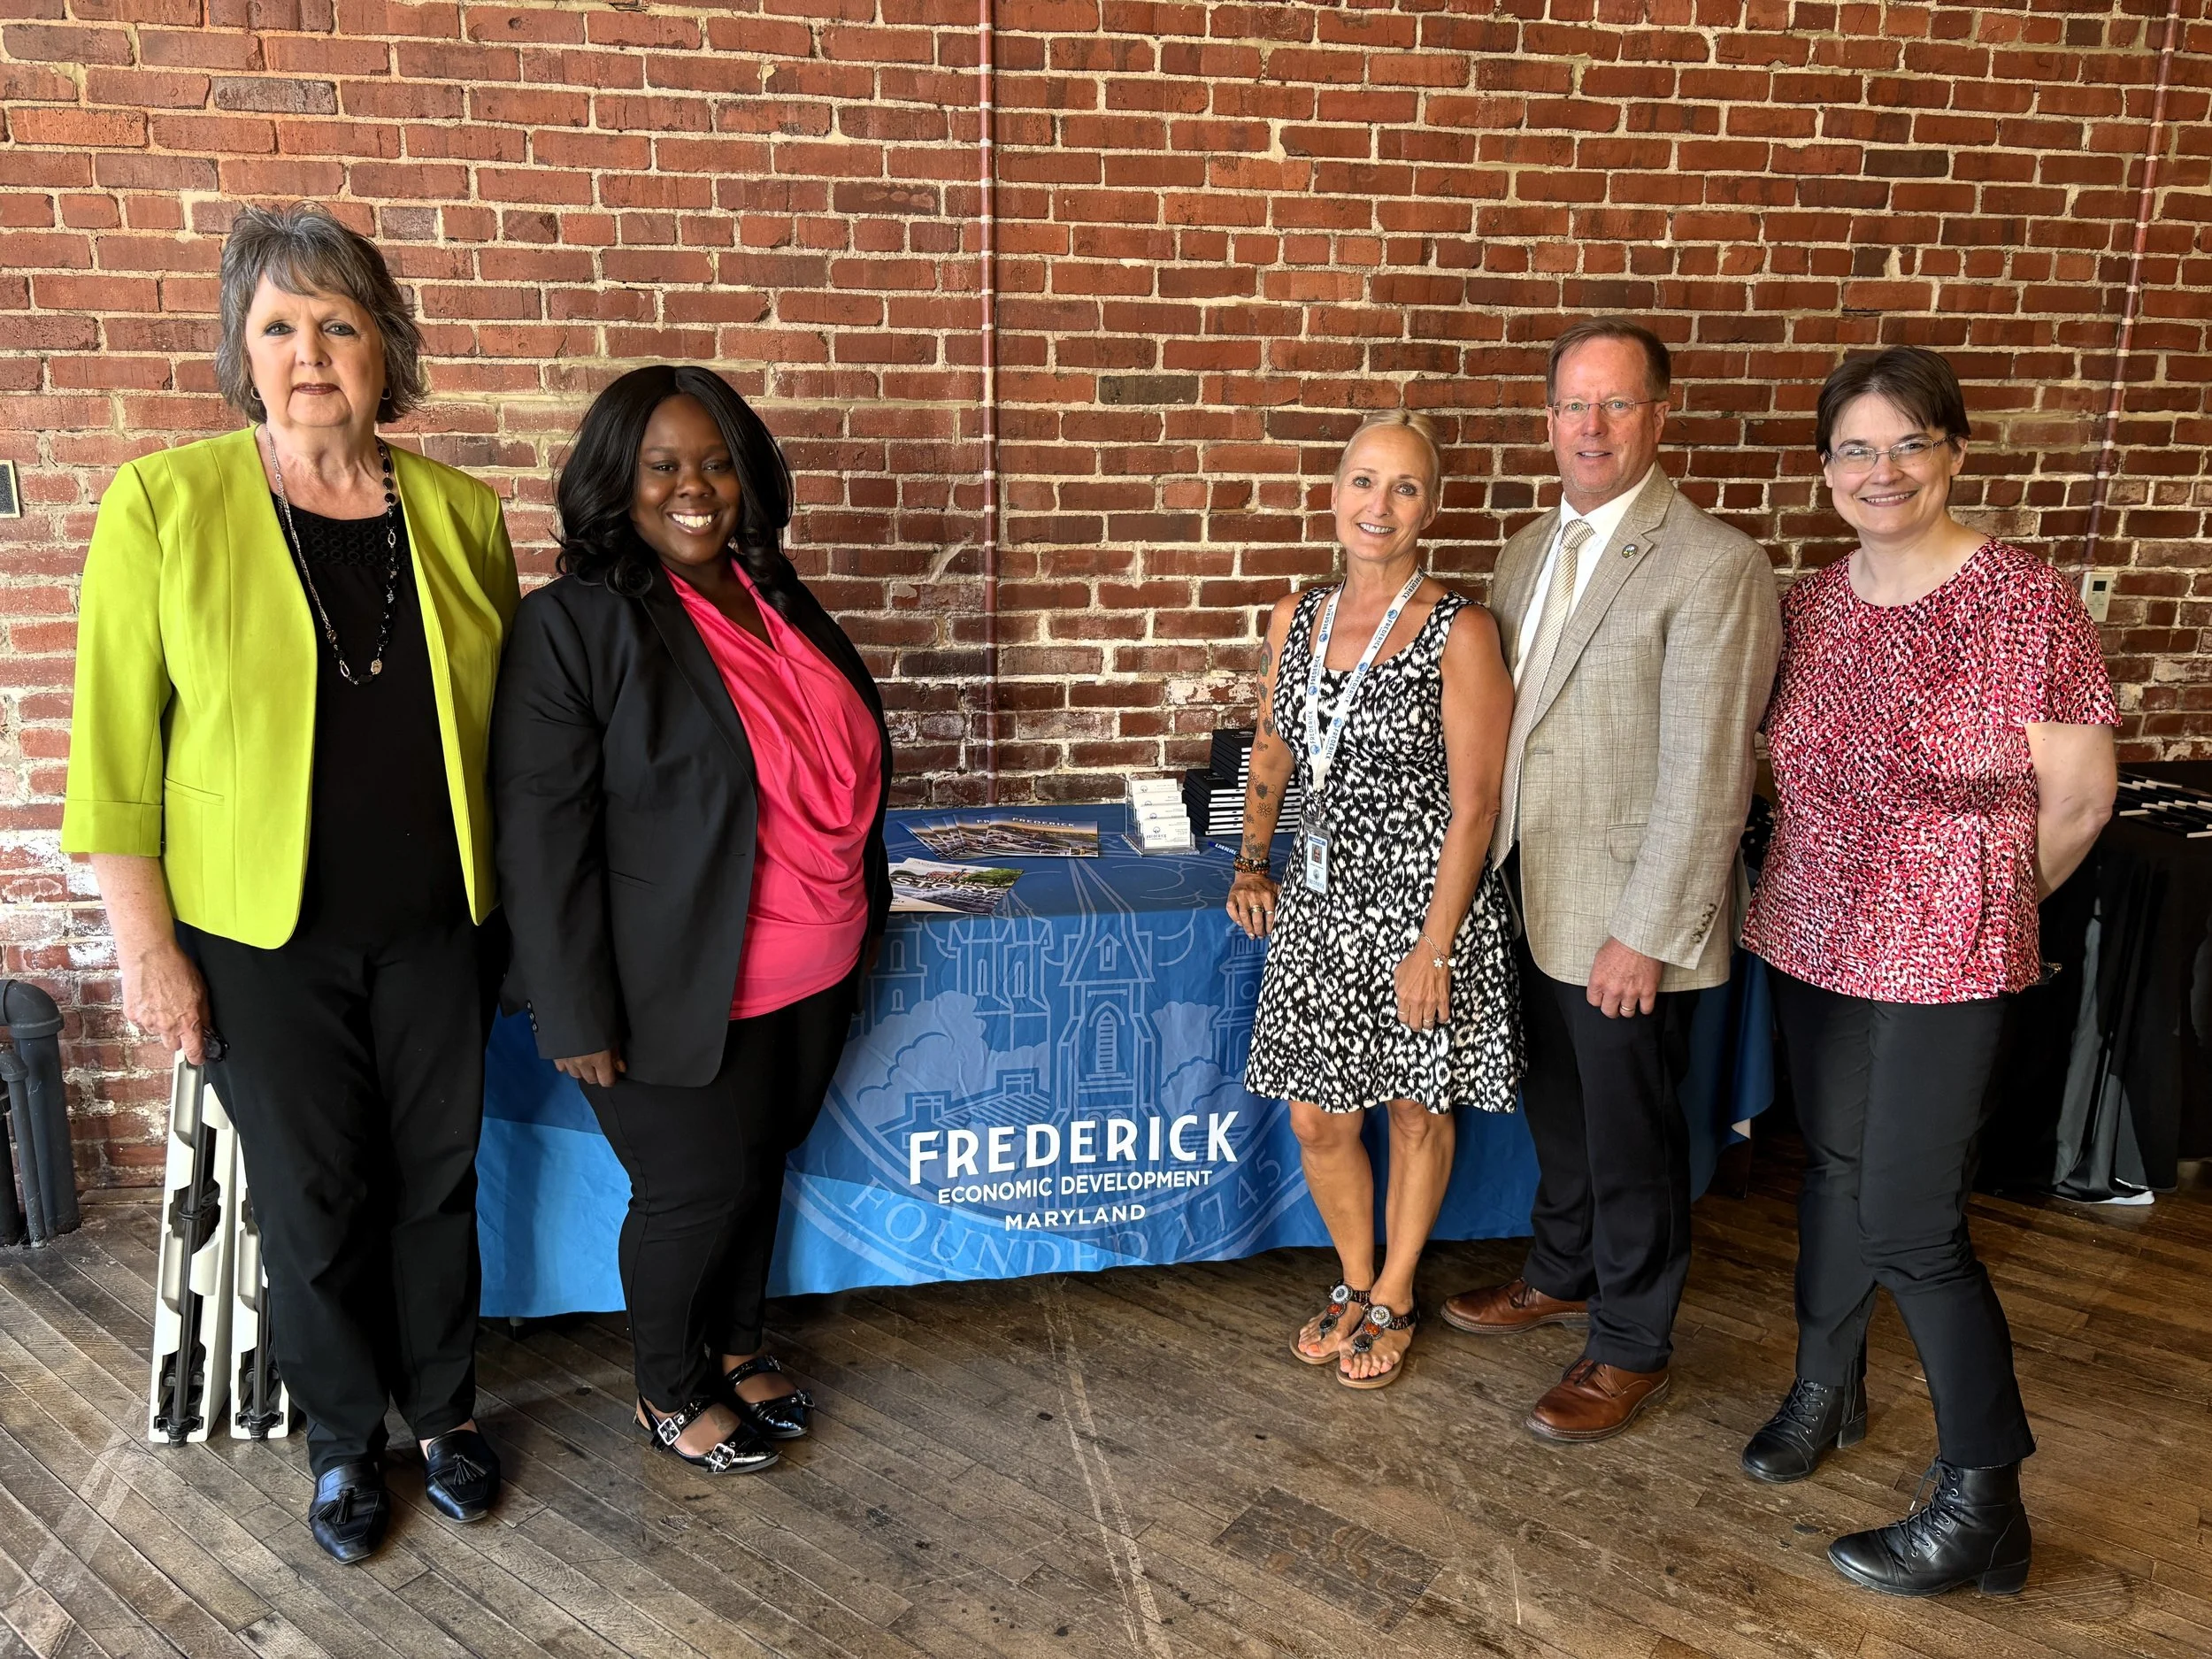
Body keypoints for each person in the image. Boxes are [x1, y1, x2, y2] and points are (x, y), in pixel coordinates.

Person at [61, 204, 518, 1563]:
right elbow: (113, 755)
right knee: (315, 1194)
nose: (309, 351)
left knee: (438, 1180)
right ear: (242, 351)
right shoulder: (165, 503)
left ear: (386, 350)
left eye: (338, 323)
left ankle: (445, 1410)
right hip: (261, 938)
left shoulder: (462, 515)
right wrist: (150, 946)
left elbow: (509, 741)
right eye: (278, 326)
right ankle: (341, 1438)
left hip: (442, 926)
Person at [1739, 346, 2116, 1596]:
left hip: (1947, 954)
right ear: (1825, 470)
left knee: (1911, 1219)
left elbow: (2078, 801)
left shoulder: (2024, 598)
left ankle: (1984, 1503)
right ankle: (1825, 1386)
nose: (1882, 469)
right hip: (1812, 931)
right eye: (1855, 448)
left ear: (1953, 451)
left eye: (1908, 442)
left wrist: (1968, 907)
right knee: (1834, 1173)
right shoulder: (1807, 605)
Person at [492, 365, 892, 1475]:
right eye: (662, 465)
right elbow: (541, 834)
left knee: (758, 1166)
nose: (694, 487)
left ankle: (736, 1344)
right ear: (614, 481)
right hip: (665, 983)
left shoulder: (777, 595)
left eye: (716, 463)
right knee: (692, 1190)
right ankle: (667, 1390)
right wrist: (573, 1008)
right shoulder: (572, 625)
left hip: (814, 960)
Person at [1440, 319, 1782, 1441]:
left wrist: (1646, 931)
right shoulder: (1526, 548)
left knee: (1634, 1139)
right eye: (1572, 405)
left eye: (1616, 403)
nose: (1591, 425)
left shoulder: (1713, 563)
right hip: (1527, 892)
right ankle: (1561, 1270)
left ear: (1658, 415)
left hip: (1626, 916)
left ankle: (1631, 1343)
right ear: (1549, 420)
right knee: (1560, 1112)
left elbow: (1710, 769)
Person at [1232, 411, 1521, 1390]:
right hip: (1318, 903)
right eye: (1364, 481)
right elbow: (1272, 745)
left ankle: (1395, 1293)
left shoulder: (1460, 630)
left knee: (1413, 1109)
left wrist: (1434, 945)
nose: (1379, 505)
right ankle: (1353, 1278)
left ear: (1429, 509)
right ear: (1334, 494)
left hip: (1419, 909)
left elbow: (1477, 804)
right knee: (1318, 1118)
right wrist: (1251, 862)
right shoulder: (1295, 617)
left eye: (1404, 487)